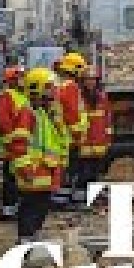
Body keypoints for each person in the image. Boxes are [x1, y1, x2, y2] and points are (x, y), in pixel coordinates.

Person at [5, 68, 71, 244]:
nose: (53, 91)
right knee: (31, 207)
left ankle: (31, 239)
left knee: (40, 206)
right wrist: (25, 168)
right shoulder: (28, 113)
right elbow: (19, 143)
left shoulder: (42, 113)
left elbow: (54, 142)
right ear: (37, 88)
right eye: (49, 87)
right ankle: (25, 242)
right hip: (33, 172)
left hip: (43, 172)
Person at [53, 52, 90, 205]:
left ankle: (60, 199)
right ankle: (64, 200)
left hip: (61, 135)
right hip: (70, 137)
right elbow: (72, 113)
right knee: (70, 169)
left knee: (65, 169)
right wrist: (77, 135)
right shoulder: (71, 87)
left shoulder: (59, 85)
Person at [72, 67, 113, 202]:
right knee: (83, 172)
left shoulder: (102, 97)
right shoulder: (79, 98)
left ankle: (93, 197)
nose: (90, 82)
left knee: (96, 172)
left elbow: (107, 119)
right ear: (82, 81)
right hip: (84, 142)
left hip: (99, 143)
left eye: (93, 80)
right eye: (87, 80)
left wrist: (108, 138)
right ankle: (80, 198)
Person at [0, 66, 28, 221]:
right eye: (19, 77)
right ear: (11, 80)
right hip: (11, 148)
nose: (22, 80)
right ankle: (8, 211)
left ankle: (14, 208)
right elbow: (3, 122)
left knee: (17, 179)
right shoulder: (7, 96)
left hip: (19, 147)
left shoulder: (21, 96)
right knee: (11, 180)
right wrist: (12, 143)